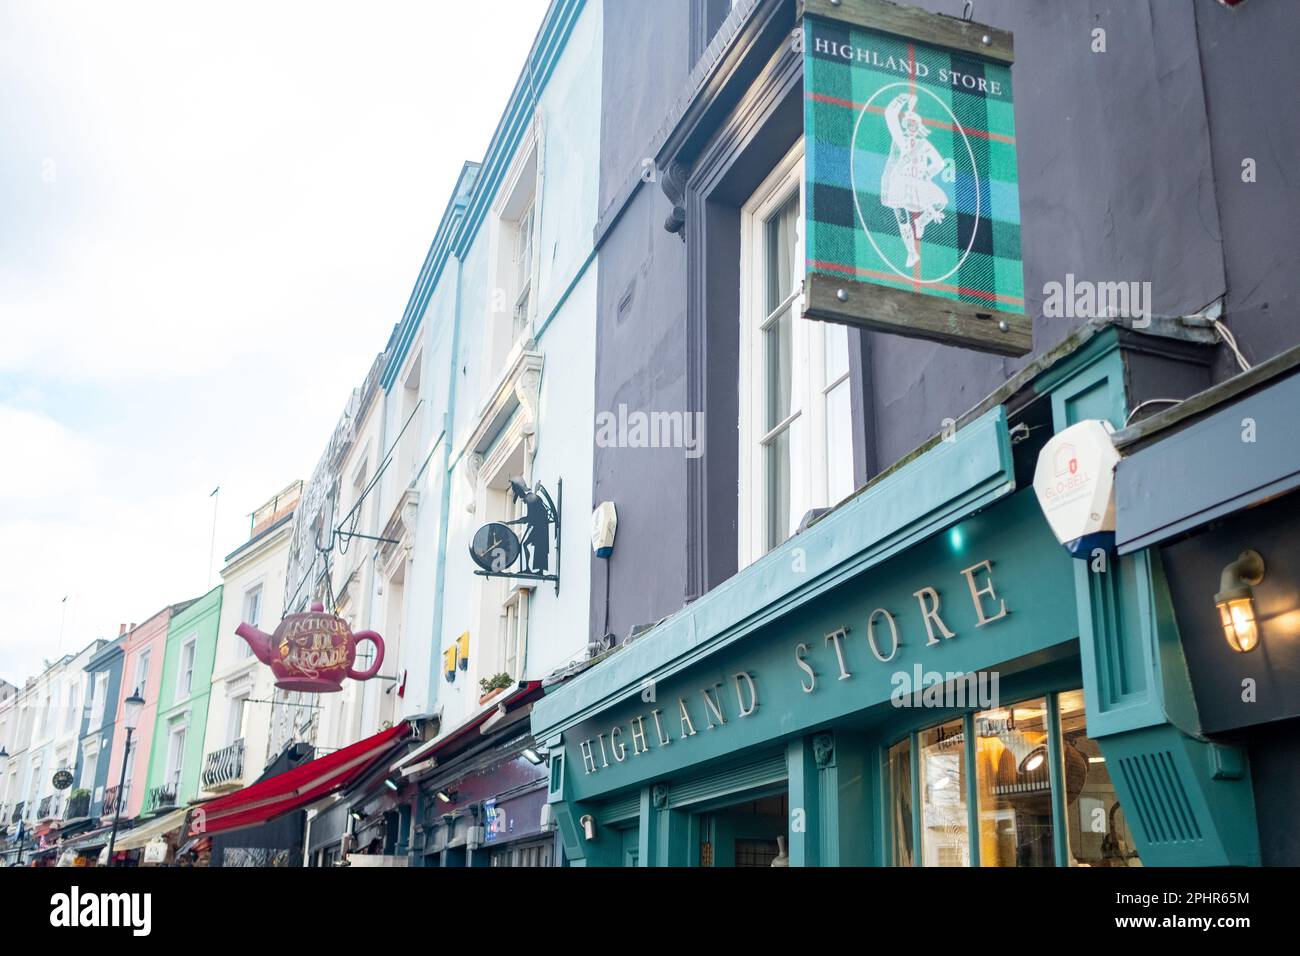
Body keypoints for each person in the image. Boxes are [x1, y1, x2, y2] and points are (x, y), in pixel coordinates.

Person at [880, 92, 949, 268]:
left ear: (918, 127)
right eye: (909, 123)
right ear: (904, 125)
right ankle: (911, 253)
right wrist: (903, 97)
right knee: (902, 217)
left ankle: (921, 221)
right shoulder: (899, 140)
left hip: (918, 182)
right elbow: (890, 114)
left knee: (941, 201)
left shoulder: (923, 144)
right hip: (900, 182)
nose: (911, 126)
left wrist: (927, 174)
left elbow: (940, 162)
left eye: (914, 124)